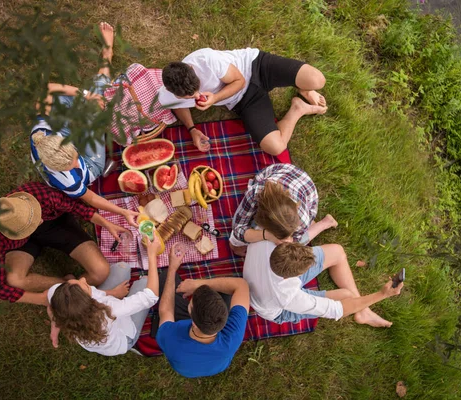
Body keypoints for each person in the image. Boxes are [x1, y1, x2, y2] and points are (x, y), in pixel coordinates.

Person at [30, 22, 138, 227]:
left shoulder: (42, 131)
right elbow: (92, 199)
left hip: (65, 125)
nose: (74, 162)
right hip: (90, 164)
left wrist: (86, 96)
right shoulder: (67, 181)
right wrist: (123, 212)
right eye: (71, 165)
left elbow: (48, 89)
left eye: (72, 156)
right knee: (98, 102)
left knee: (91, 98)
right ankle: (108, 52)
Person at [158, 47, 327, 155]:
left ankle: (304, 87)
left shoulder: (208, 60)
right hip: (244, 100)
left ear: (192, 69)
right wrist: (192, 129)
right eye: (189, 97)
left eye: (197, 90)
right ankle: (298, 108)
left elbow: (240, 81)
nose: (197, 97)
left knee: (317, 80)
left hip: (254, 66)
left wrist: (215, 98)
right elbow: (178, 106)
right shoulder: (169, 95)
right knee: (275, 147)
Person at [0, 181, 128, 305]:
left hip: (56, 226)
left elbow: (77, 207)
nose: (39, 221)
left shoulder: (42, 195)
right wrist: (41, 299)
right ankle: (67, 286)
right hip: (22, 244)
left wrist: (106, 224)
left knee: (100, 271)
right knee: (14, 280)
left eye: (36, 216)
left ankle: (73, 288)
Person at [46, 234, 162, 355]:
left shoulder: (58, 295)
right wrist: (151, 255)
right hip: (123, 339)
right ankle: (131, 341)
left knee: (122, 267)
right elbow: (151, 296)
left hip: (101, 325)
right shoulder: (109, 310)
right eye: (85, 285)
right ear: (90, 301)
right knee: (146, 282)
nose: (84, 280)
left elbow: (51, 307)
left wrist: (113, 293)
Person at [243, 241, 403, 327]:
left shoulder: (267, 240)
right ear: (295, 277)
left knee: (337, 252)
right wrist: (383, 294)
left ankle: (363, 311)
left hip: (267, 278)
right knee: (347, 297)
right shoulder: (287, 297)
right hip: (277, 309)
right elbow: (337, 310)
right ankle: (363, 312)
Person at [155, 243, 250, 378]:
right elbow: (241, 285)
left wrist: (172, 268)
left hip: (185, 366)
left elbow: (166, 311)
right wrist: (198, 284)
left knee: (165, 278)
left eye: (191, 302)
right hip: (216, 365)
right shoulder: (233, 335)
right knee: (228, 289)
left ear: (192, 320)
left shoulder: (170, 337)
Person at [230, 163, 337, 256]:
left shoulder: (302, 219)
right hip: (281, 173)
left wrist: (289, 241)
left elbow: (295, 240)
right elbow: (238, 227)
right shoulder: (256, 192)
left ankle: (325, 223)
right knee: (237, 231)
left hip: (305, 189)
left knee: (299, 243)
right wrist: (266, 235)